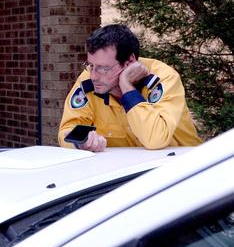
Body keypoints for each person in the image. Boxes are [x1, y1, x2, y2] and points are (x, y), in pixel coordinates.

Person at [58, 24, 202, 151]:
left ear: (129, 61)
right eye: (91, 65)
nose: (94, 76)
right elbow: (66, 131)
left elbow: (156, 139)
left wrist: (127, 86)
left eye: (104, 68)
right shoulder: (88, 79)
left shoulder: (163, 78)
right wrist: (80, 142)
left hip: (181, 169)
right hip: (123, 172)